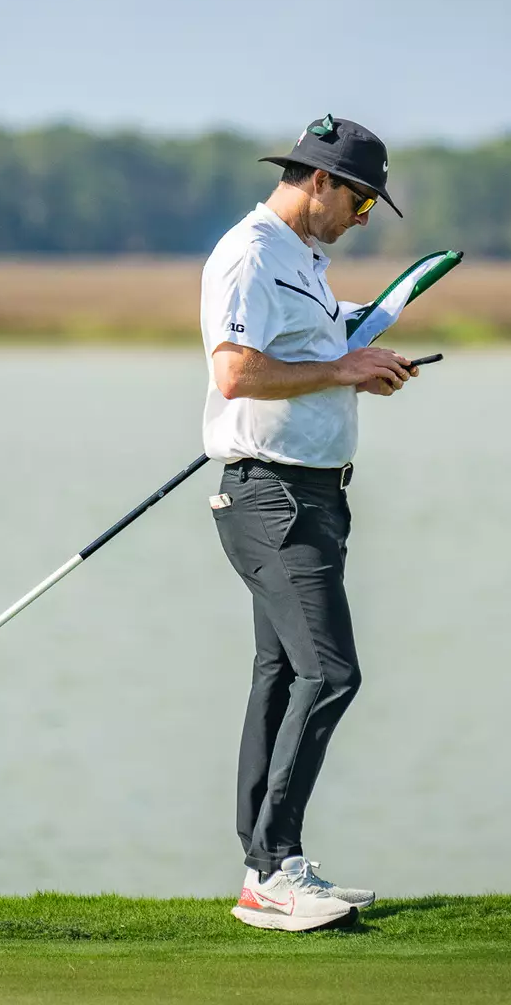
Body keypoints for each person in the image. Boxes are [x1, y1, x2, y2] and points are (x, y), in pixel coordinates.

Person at [200, 114, 419, 932]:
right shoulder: (251, 254)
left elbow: (304, 360)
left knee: (285, 675)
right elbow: (236, 372)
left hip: (314, 495)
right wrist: (341, 367)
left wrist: (359, 364)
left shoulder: (305, 261)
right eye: (359, 203)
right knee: (332, 673)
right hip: (272, 497)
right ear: (318, 181)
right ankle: (268, 878)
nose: (360, 219)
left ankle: (273, 862)